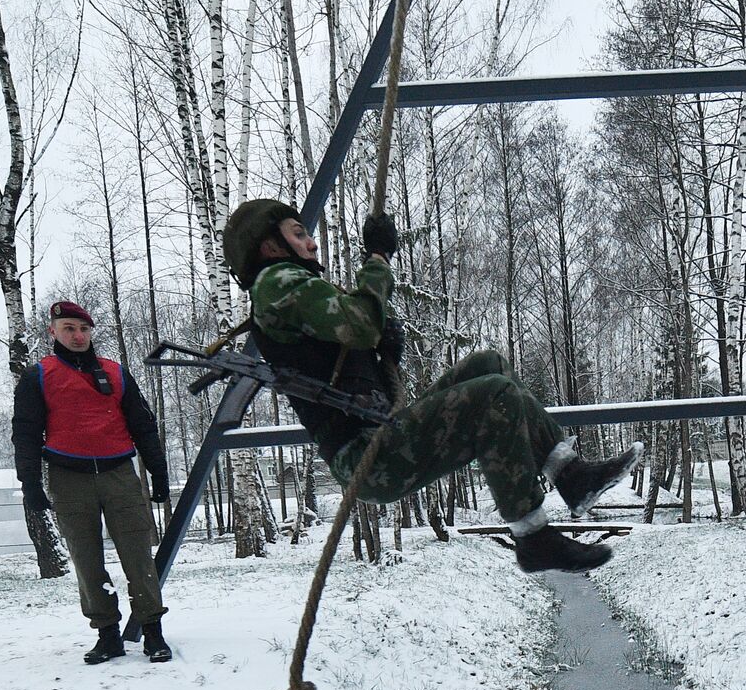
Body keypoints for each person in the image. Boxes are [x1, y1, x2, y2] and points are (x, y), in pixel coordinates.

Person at [221, 199, 641, 573]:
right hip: (366, 458)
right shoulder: (277, 283)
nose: (311, 244)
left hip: (380, 434)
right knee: (494, 392)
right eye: (299, 234)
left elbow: (364, 376)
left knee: (487, 364)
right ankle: (533, 537)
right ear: (270, 247)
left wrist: (387, 353)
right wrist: (379, 258)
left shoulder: (296, 291)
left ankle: (570, 475)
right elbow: (361, 323)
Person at [11, 301, 174, 664]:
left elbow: (143, 427)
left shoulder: (116, 374)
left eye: (84, 329)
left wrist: (158, 472)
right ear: (52, 332)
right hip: (69, 479)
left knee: (138, 558)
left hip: (119, 476)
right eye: (69, 328)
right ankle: (107, 635)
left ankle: (153, 632)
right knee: (86, 561)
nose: (78, 336)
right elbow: (25, 435)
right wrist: (31, 486)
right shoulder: (38, 375)